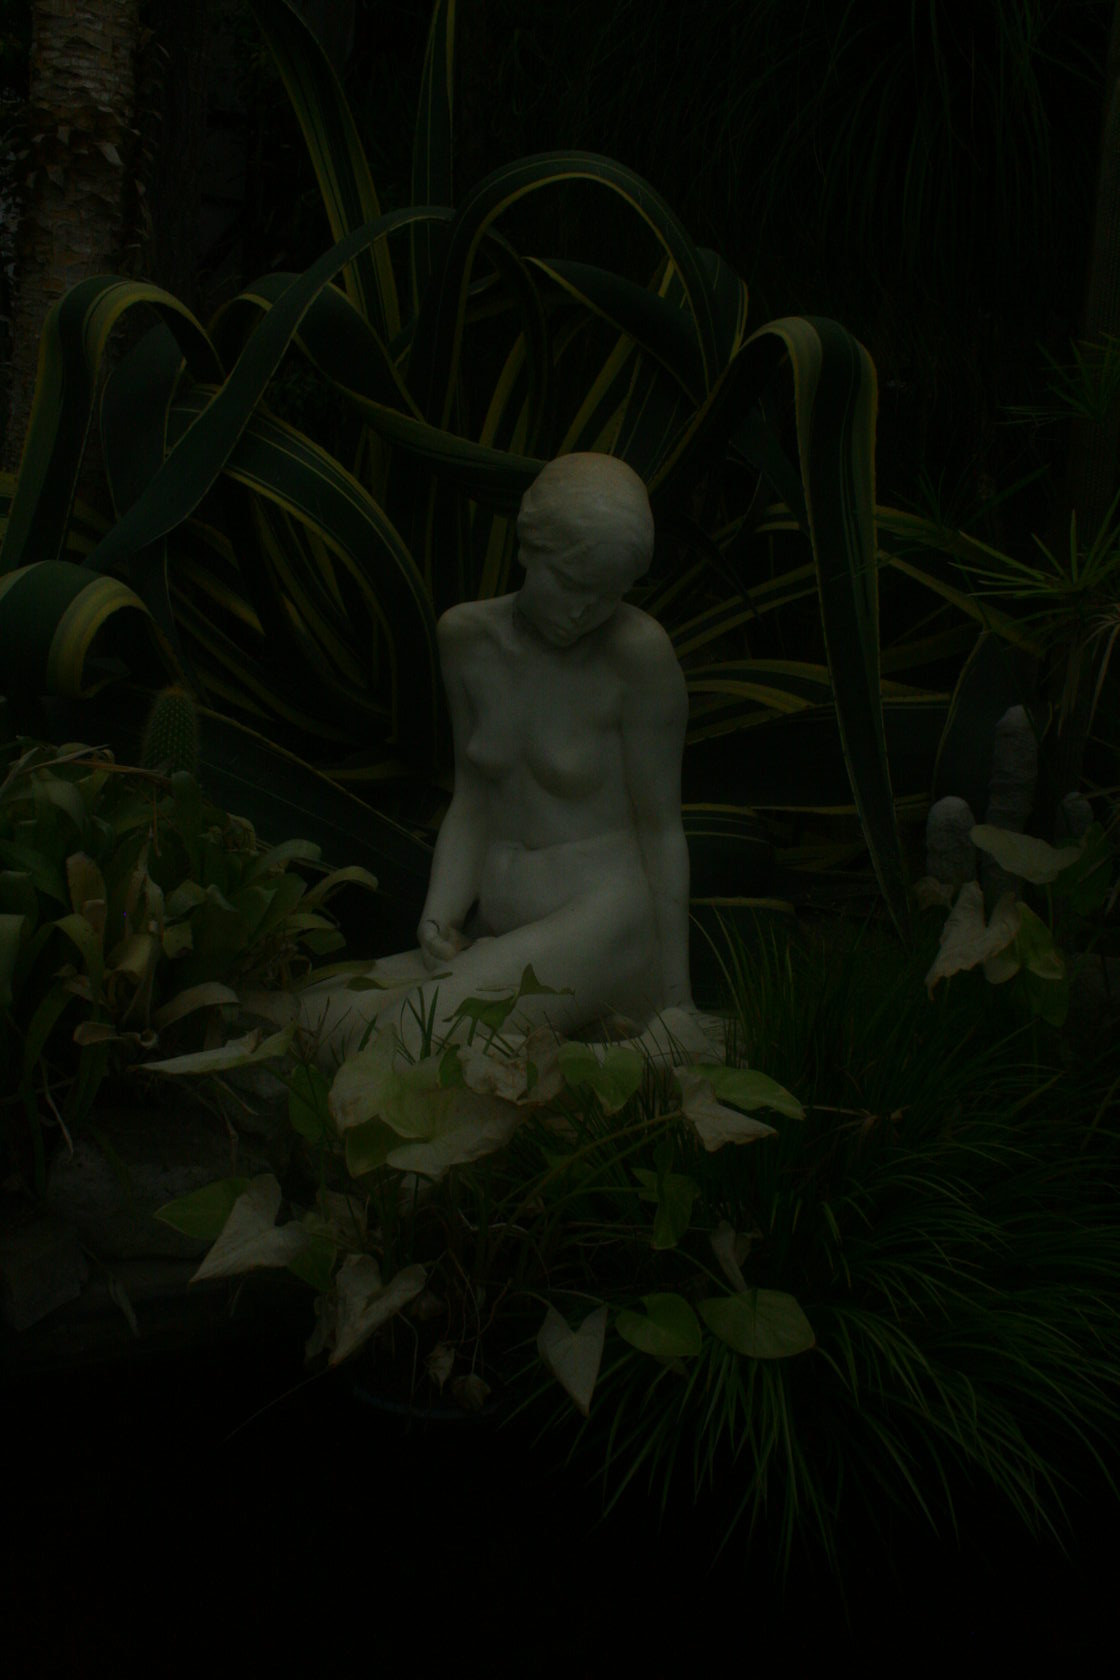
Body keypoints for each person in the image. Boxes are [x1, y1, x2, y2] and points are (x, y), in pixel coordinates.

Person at [299, 452, 716, 1064]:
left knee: (413, 1037)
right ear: (529, 547)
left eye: (607, 596)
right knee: (318, 1022)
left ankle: (635, 1053)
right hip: (500, 932)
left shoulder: (637, 656)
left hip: (606, 924)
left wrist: (676, 1002)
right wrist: (440, 914)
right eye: (571, 583)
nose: (583, 611)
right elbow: (474, 798)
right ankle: (579, 1053)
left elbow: (660, 829)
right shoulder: (466, 639)